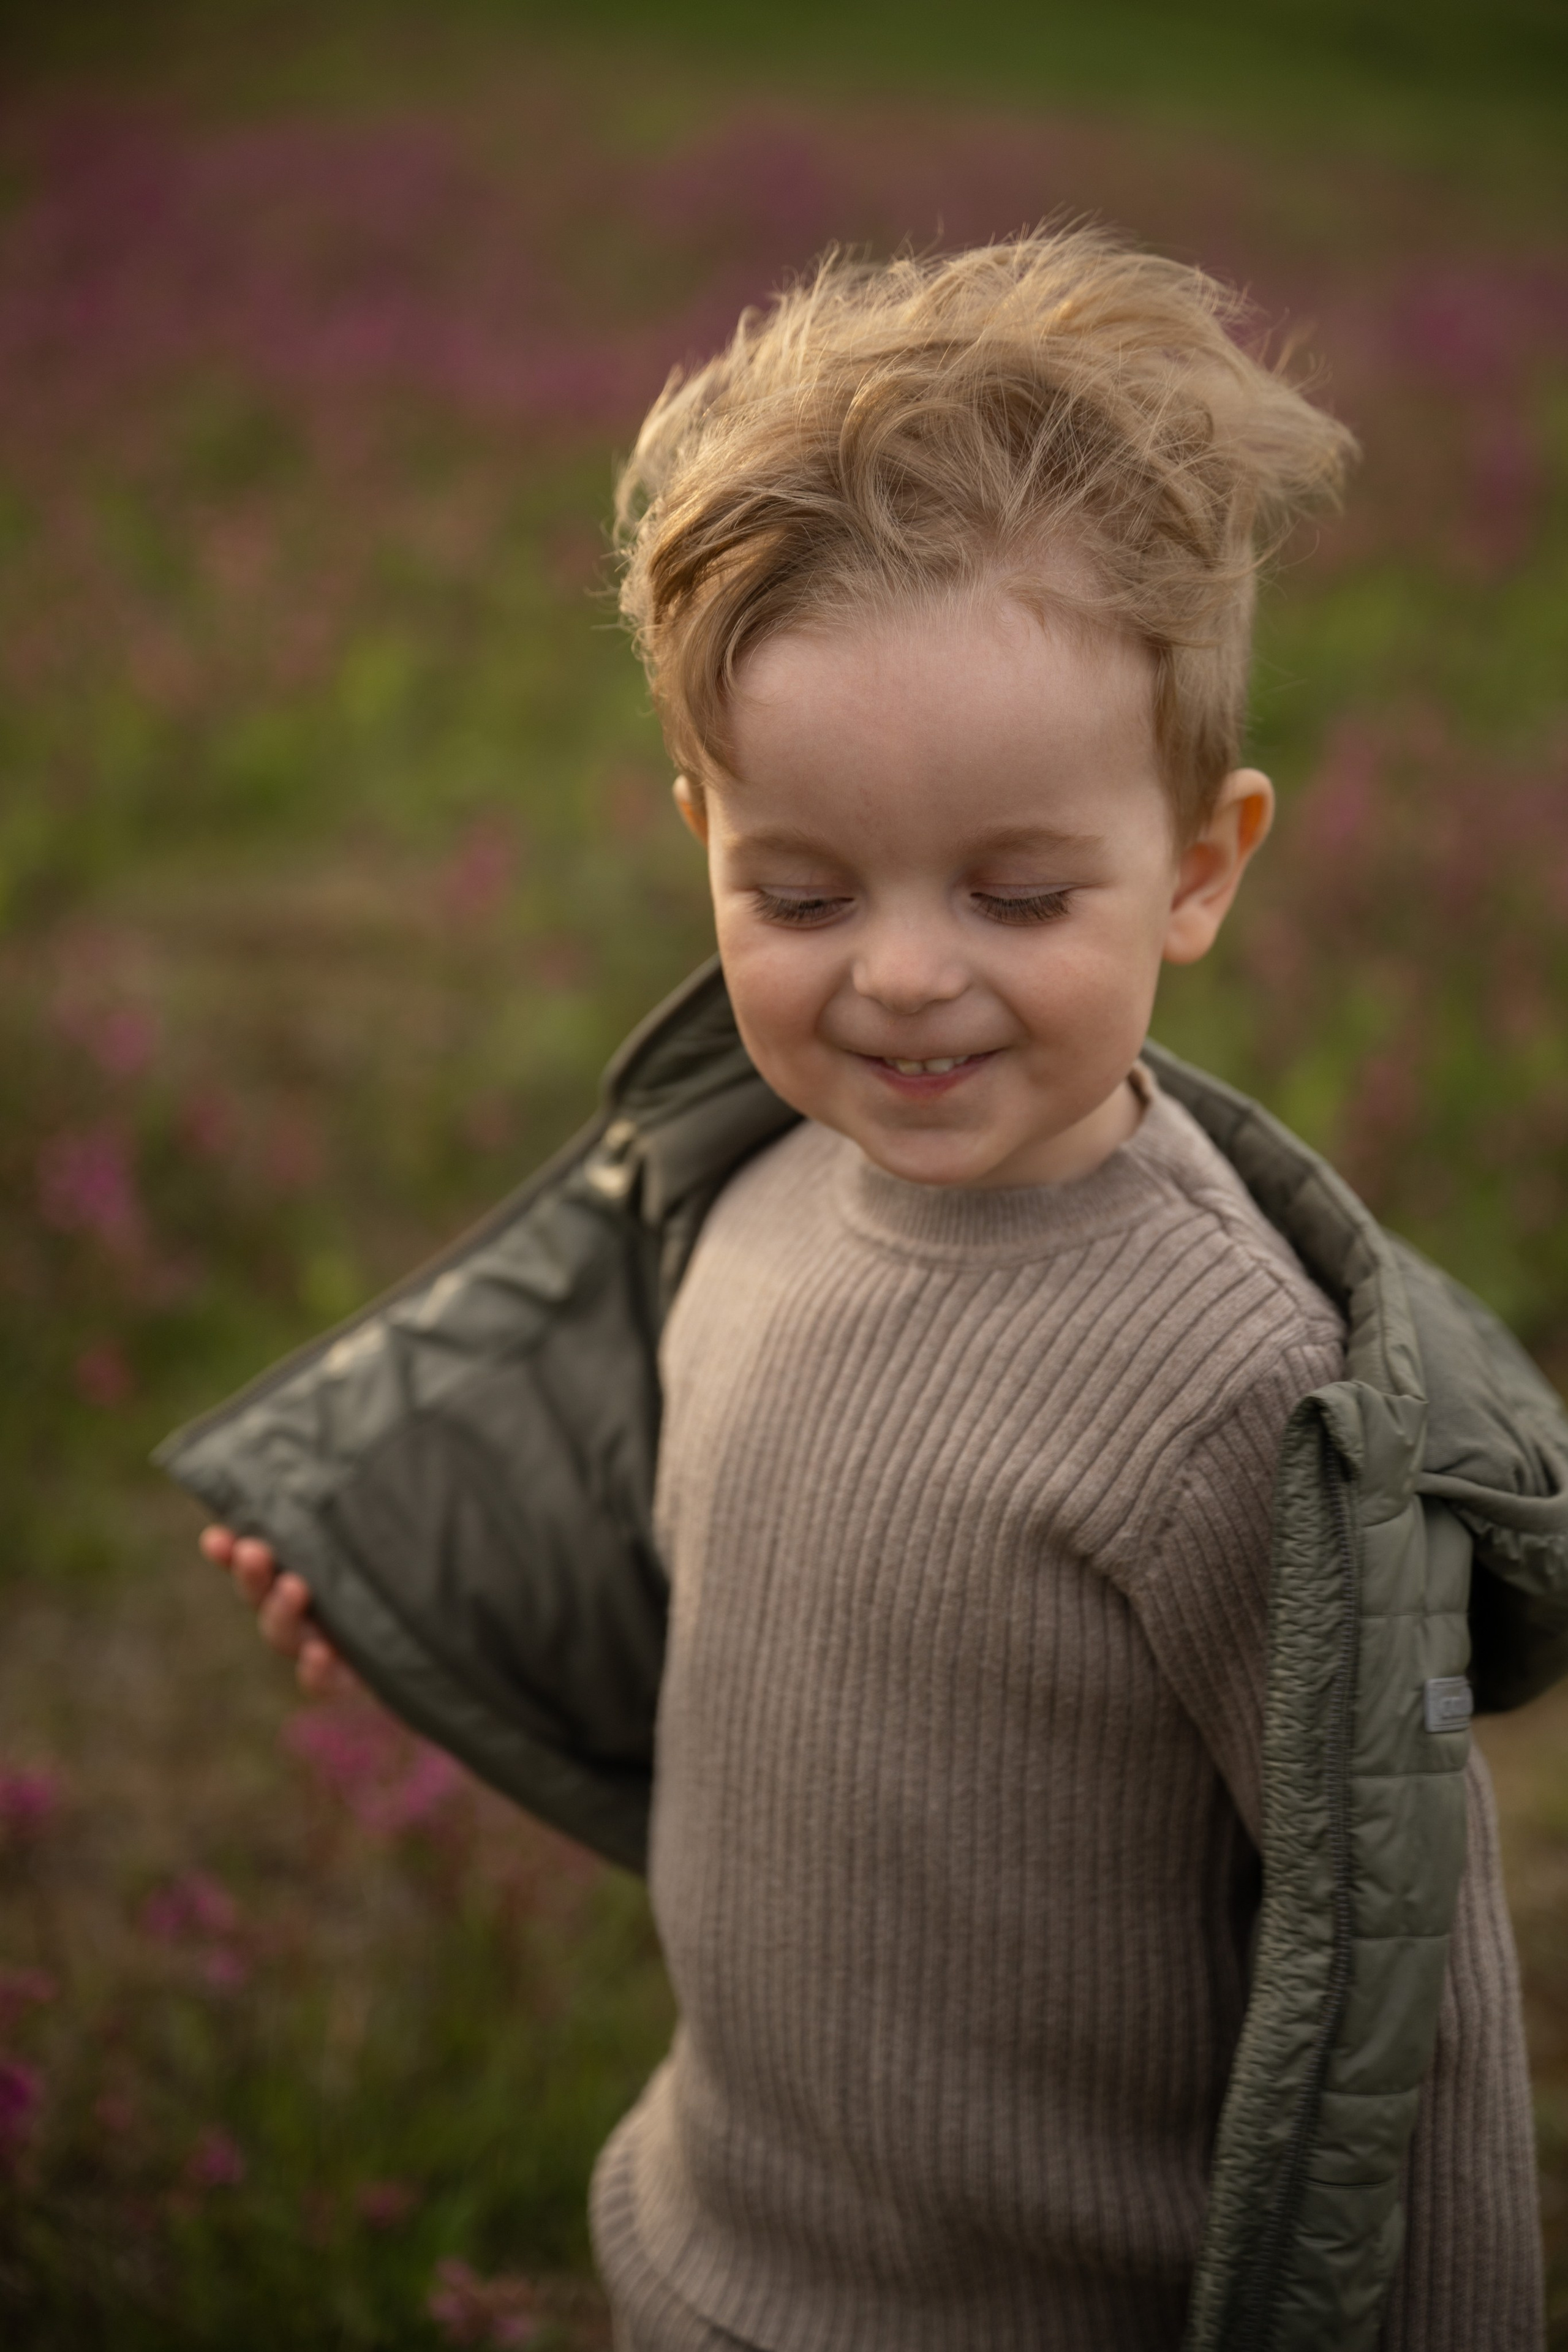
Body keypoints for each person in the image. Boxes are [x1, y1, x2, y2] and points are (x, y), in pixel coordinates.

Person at [178, 230, 1559, 2350]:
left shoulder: (1232, 1399)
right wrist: (429, 1589)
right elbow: (776, 1623)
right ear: (698, 836)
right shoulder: (741, 1197)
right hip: (707, 2257)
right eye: (802, 891)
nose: (904, 971)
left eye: (1017, 892)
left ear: (1201, 868)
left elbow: (1414, 2004)